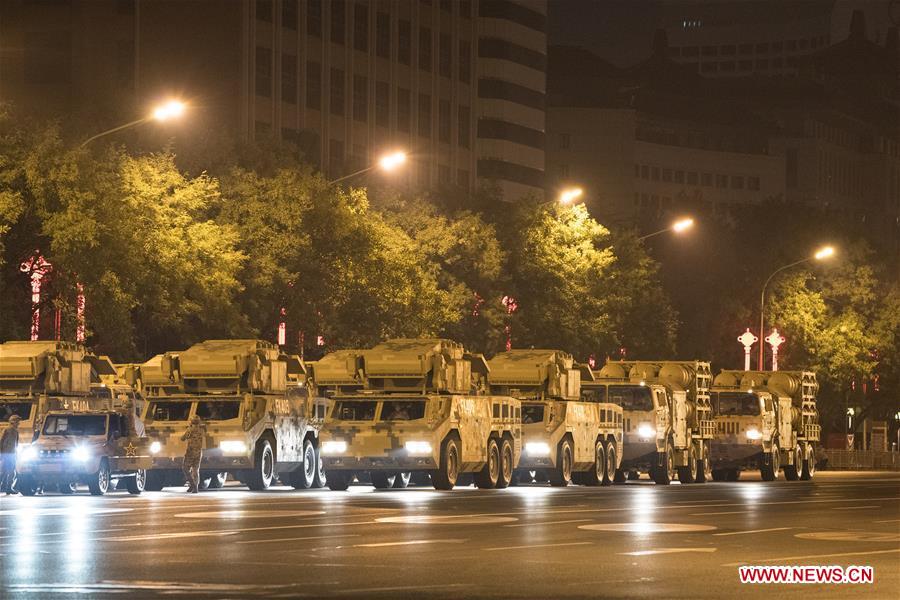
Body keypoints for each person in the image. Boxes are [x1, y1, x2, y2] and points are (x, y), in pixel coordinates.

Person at [180, 415, 205, 493]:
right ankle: (195, 487)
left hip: (190, 452)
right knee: (195, 470)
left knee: (185, 468)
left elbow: (182, 438)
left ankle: (192, 484)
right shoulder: (202, 430)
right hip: (199, 452)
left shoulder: (190, 430)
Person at [1, 415, 22, 495]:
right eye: (17, 421)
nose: (18, 423)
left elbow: (16, 444)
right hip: (6, 454)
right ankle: (7, 488)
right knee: (5, 471)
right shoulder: (7, 430)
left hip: (11, 454)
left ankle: (8, 488)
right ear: (13, 421)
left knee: (10, 471)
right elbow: (1, 441)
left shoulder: (15, 431)